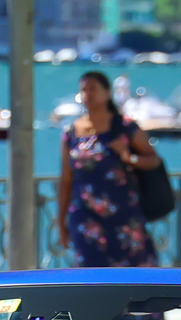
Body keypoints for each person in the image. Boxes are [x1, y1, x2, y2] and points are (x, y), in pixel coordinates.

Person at [55, 70, 160, 267]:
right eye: (83, 90)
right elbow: (66, 180)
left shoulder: (124, 127)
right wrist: (61, 221)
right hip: (86, 219)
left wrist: (128, 157)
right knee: (90, 277)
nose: (87, 95)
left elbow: (153, 160)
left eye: (93, 89)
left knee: (133, 276)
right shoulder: (71, 133)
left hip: (124, 216)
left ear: (107, 93)